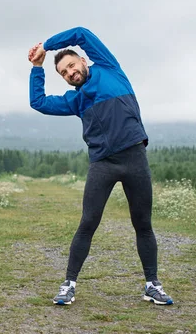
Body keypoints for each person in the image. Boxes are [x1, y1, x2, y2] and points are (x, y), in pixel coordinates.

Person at [27, 26, 173, 306]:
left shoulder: (109, 68)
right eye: (64, 73)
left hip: (134, 159)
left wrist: (46, 45)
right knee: (87, 224)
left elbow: (81, 33)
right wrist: (37, 67)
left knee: (143, 224)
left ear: (83, 60)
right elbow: (39, 102)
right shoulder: (75, 100)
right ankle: (68, 285)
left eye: (71, 65)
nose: (70, 73)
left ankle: (152, 285)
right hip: (102, 164)